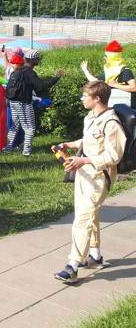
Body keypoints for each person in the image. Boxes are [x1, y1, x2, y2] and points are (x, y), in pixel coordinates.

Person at [54, 81, 126, 283]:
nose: (82, 99)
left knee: (82, 219)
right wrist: (68, 144)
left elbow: (114, 156)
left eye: (85, 96)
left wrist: (84, 160)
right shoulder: (91, 117)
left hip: (99, 177)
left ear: (97, 99)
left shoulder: (111, 124)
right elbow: (87, 140)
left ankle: (73, 265)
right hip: (83, 174)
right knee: (88, 214)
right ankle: (95, 255)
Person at [4, 50, 63, 156]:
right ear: (32, 60)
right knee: (30, 128)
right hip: (23, 103)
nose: (39, 60)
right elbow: (41, 86)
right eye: (37, 58)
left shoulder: (18, 70)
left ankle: (7, 149)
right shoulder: (29, 72)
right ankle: (26, 153)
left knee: (14, 126)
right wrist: (56, 78)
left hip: (12, 102)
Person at [81, 40, 136, 108]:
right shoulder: (108, 72)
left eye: (106, 56)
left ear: (112, 57)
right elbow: (95, 82)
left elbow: (134, 88)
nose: (104, 58)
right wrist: (85, 70)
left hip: (128, 109)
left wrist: (116, 85)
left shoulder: (125, 71)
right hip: (113, 106)